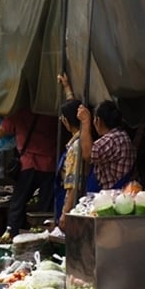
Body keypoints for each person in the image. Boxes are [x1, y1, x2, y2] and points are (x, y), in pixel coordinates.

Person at [0, 107, 58, 236]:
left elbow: (4, 128)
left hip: (29, 164)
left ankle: (12, 235)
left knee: (17, 205)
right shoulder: (52, 113)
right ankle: (43, 237)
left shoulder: (20, 112)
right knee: (45, 209)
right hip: (50, 166)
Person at [77, 100, 136, 190]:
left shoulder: (113, 139)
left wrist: (85, 122)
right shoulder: (120, 136)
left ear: (98, 121)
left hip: (111, 194)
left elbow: (88, 154)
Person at [55, 99, 84, 231]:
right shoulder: (79, 141)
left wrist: (65, 212)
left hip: (73, 202)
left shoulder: (75, 147)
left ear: (66, 121)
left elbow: (74, 183)